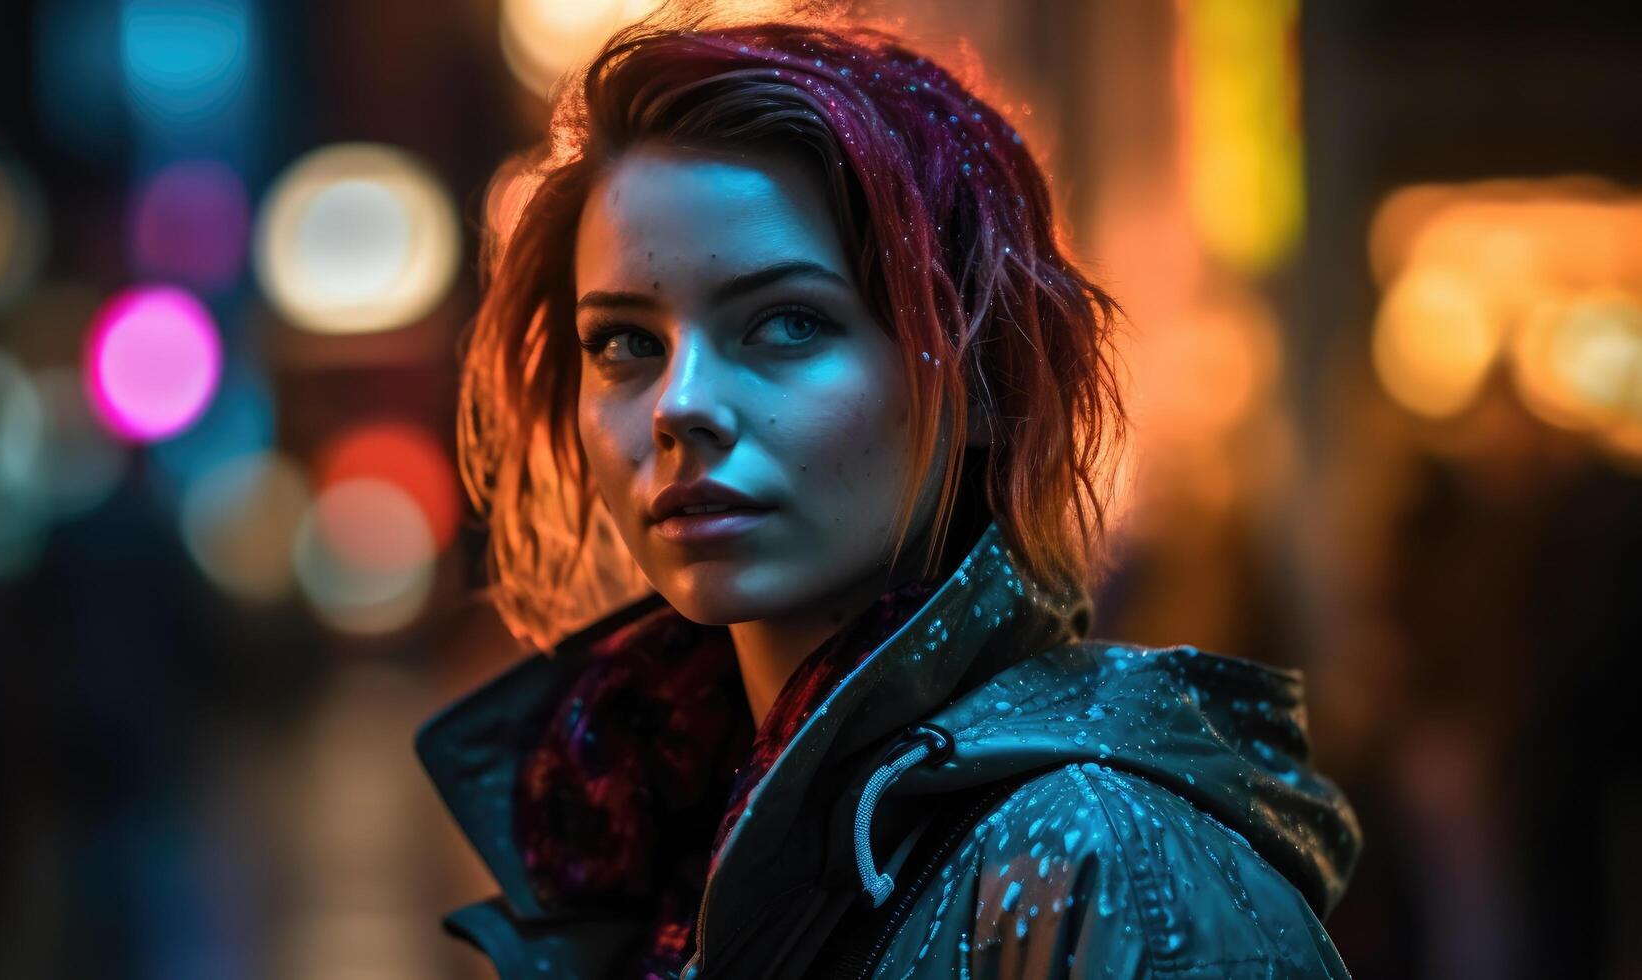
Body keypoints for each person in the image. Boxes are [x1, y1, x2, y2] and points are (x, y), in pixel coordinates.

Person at [417, 12, 1361, 978]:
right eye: (624, 342)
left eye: (787, 322)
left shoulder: (1101, 866)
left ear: (984, 378)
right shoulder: (644, 839)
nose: (680, 404)